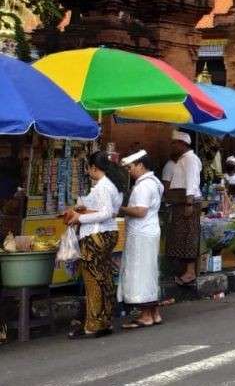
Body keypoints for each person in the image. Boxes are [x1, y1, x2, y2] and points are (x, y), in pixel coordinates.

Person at [63, 151, 124, 339]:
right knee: (103, 277)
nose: (88, 172)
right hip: (104, 234)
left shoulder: (103, 187)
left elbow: (106, 212)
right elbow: (108, 211)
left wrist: (80, 217)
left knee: (93, 280)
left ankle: (94, 324)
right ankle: (103, 321)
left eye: (88, 169)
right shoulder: (108, 185)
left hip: (96, 234)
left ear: (94, 168)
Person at [118, 149, 164, 329]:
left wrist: (121, 209)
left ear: (140, 165)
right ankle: (154, 313)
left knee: (140, 273)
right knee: (150, 271)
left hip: (141, 233)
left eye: (130, 167)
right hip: (149, 231)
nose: (129, 170)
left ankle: (145, 315)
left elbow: (140, 211)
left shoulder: (144, 185)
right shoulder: (155, 182)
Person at [164, 130, 202, 286]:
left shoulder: (190, 159)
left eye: (174, 143)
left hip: (188, 203)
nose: (172, 146)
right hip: (180, 203)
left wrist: (189, 203)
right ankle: (183, 270)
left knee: (189, 236)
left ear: (183, 144)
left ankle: (190, 272)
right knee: (180, 237)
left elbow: (192, 181)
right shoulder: (183, 159)